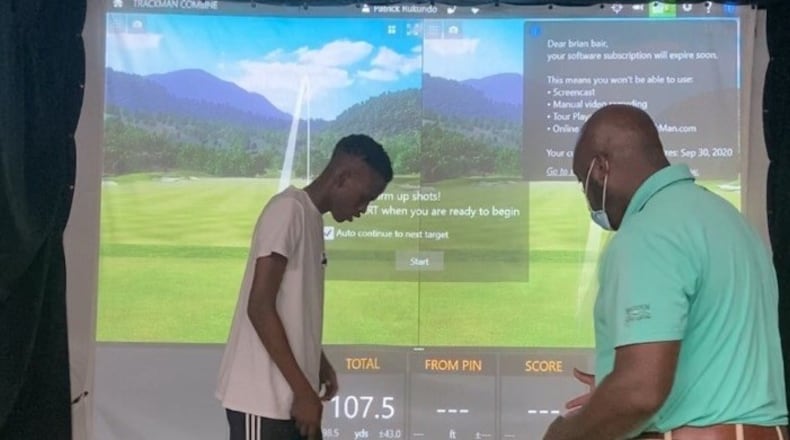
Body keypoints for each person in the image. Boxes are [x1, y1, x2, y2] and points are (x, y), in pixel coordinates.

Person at [543, 105, 788, 440]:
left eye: (580, 179)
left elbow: (640, 391)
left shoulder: (647, 232)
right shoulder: (727, 219)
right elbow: (713, 356)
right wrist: (609, 395)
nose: (586, 195)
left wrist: (567, 433)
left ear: (601, 167)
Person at [216, 134, 393, 440]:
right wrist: (303, 391)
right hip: (263, 401)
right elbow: (259, 306)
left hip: (291, 398)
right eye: (364, 197)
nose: (363, 208)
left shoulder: (311, 219)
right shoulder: (287, 210)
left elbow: (292, 309)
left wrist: (318, 362)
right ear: (342, 177)